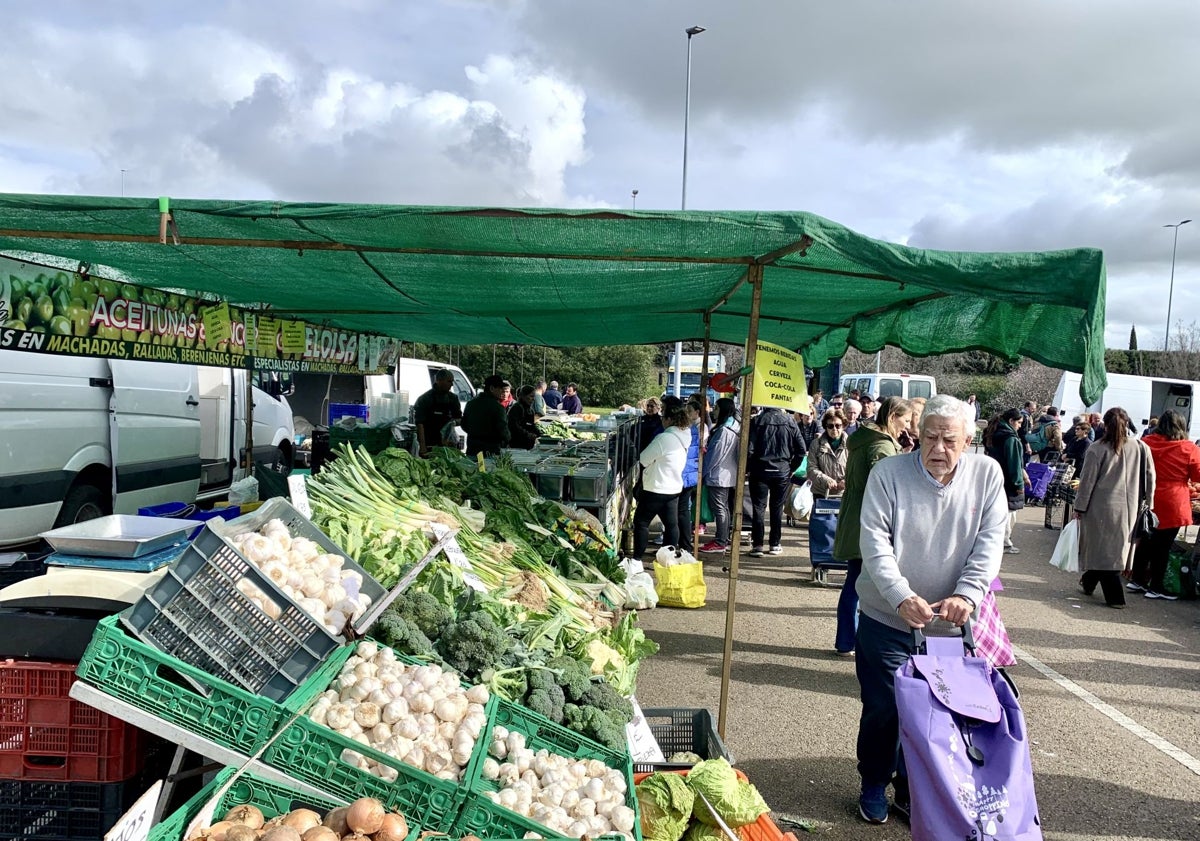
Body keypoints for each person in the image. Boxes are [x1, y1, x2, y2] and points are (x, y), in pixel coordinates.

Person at [854, 394, 1006, 823]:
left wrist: (968, 593)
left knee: (937, 714)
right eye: (930, 438)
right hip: (888, 616)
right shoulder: (888, 473)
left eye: (950, 440)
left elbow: (989, 542)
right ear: (916, 434)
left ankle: (912, 786)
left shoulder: (987, 474)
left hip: (948, 625)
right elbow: (875, 543)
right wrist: (900, 595)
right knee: (886, 707)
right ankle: (873, 781)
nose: (939, 449)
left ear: (969, 439)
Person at [831, 396, 915, 658]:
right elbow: (887, 485)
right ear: (892, 417)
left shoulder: (865, 439)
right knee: (864, 585)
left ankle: (846, 640)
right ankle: (853, 641)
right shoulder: (881, 445)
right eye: (906, 420)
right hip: (869, 522)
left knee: (854, 582)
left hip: (856, 517)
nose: (908, 426)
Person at [1073, 407, 1153, 609]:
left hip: (1100, 507)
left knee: (1104, 550)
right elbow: (1151, 477)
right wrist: (1150, 504)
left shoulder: (1096, 448)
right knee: (1115, 550)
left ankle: (1114, 596)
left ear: (1104, 425)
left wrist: (1079, 507)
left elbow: (1087, 481)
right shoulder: (1141, 447)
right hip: (1131, 506)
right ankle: (1090, 581)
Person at [1128, 409, 1200, 600]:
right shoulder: (1188, 448)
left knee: (1145, 540)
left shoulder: (1147, 442)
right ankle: (1156, 586)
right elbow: (1197, 475)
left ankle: (1137, 579)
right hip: (1174, 499)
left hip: (1148, 497)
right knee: (1163, 546)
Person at [630, 403, 691, 558]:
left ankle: (637, 559)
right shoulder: (685, 434)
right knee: (671, 525)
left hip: (656, 487)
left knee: (642, 523)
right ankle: (668, 558)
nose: (661, 420)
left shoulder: (664, 438)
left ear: (669, 419)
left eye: (663, 416)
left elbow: (643, 459)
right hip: (674, 487)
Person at [746, 405, 807, 557]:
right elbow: (801, 449)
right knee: (776, 507)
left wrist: (749, 468)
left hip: (760, 470)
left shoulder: (757, 420)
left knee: (759, 507)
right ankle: (775, 543)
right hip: (782, 470)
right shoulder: (790, 421)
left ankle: (758, 544)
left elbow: (749, 449)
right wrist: (791, 467)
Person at [699, 398, 740, 555]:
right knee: (723, 507)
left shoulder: (724, 430)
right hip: (725, 473)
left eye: (715, 408)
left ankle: (720, 540)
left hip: (719, 475)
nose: (713, 410)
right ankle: (723, 538)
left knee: (720, 508)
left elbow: (714, 455)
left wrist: (703, 472)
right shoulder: (732, 426)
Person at [985, 408, 1028, 554]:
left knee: (994, 512)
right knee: (1009, 514)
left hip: (994, 478)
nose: (1020, 426)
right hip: (1007, 482)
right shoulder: (1011, 438)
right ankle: (1004, 542)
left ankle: (997, 541)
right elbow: (1014, 464)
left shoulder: (993, 433)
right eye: (1019, 423)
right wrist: (1019, 484)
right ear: (1011, 421)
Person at [413, 369, 462, 457]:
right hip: (429, 443)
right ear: (439, 381)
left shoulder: (453, 398)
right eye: (449, 381)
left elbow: (460, 419)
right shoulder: (425, 399)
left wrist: (453, 423)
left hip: (447, 445)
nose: (452, 384)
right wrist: (423, 447)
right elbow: (419, 424)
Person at [676, 396, 704, 553]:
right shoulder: (694, 430)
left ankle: (675, 544)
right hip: (689, 474)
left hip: (682, 474)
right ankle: (685, 545)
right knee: (684, 510)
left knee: (678, 511)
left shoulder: (687, 431)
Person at [461, 374, 511, 457]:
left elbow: (464, 424)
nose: (502, 391)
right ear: (491, 388)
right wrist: (508, 439)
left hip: (472, 448)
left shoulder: (470, 404)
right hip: (491, 450)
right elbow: (503, 431)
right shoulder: (498, 407)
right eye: (499, 388)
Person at [807, 408, 848, 499]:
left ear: (843, 426)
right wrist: (825, 480)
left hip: (844, 493)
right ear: (825, 427)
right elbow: (811, 468)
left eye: (838, 425)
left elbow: (856, 469)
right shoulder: (816, 444)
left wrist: (846, 480)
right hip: (821, 492)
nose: (834, 429)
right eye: (830, 426)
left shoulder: (851, 444)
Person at [507, 385, 540, 449]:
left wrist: (539, 433)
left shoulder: (530, 410)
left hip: (528, 445)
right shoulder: (516, 408)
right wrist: (527, 434)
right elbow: (514, 426)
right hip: (517, 444)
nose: (533, 399)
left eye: (534, 397)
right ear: (523, 396)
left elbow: (531, 425)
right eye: (531, 396)